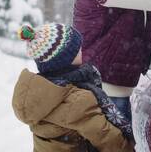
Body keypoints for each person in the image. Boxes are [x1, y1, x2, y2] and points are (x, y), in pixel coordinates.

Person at [12, 23, 134, 152]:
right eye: (78, 49)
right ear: (65, 59)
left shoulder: (43, 91)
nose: (81, 51)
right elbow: (107, 138)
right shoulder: (77, 100)